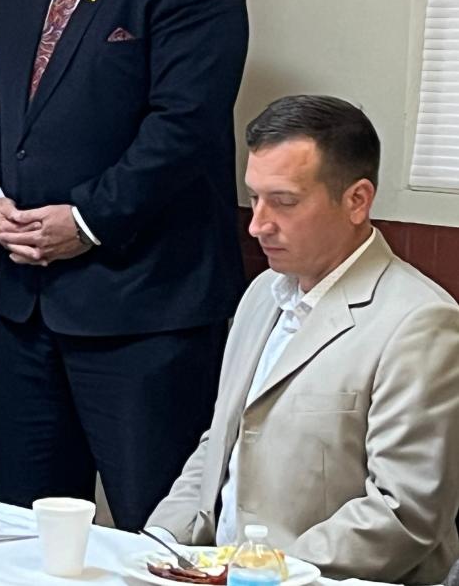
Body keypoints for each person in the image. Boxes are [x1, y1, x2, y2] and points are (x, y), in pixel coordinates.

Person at [0, 0, 250, 528]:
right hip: (27, 306)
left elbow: (181, 129)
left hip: (143, 310)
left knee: (155, 532)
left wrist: (85, 220)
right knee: (19, 530)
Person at [148, 96, 459, 583]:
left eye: (285, 202)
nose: (257, 225)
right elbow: (221, 441)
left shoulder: (420, 321)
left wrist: (258, 573)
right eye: (254, 198)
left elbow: (404, 513)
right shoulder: (261, 295)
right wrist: (160, 543)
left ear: (357, 200)